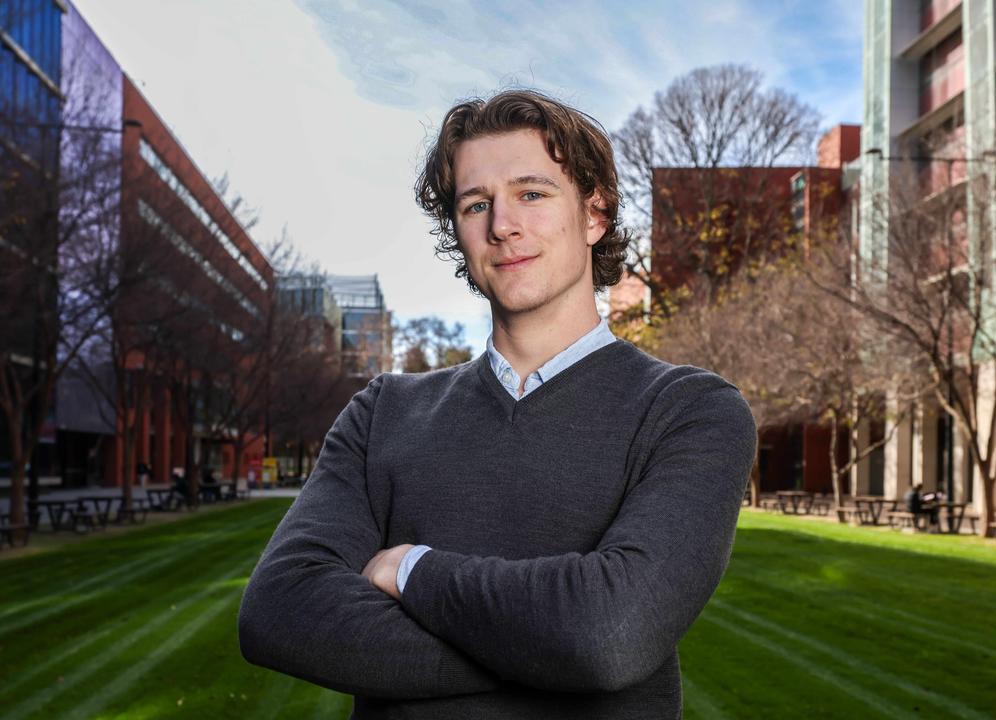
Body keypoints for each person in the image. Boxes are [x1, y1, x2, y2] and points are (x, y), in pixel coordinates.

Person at [237, 90, 758, 719]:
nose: (502, 225)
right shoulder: (383, 411)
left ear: (594, 214)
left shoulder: (690, 411)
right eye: (476, 204)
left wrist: (412, 571)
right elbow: (280, 610)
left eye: (531, 194)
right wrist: (545, 658)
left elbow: (611, 635)